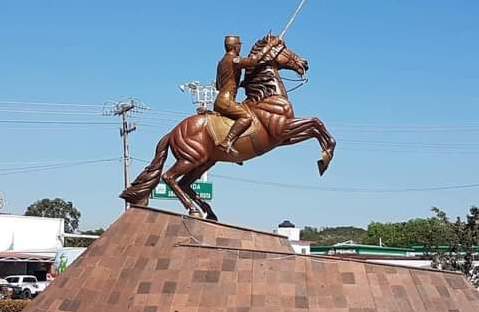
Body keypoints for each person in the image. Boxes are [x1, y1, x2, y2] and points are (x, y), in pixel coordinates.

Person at [214, 35, 281, 153]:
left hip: (220, 99)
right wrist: (271, 45)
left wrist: (240, 83)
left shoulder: (221, 62)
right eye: (239, 45)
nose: (240, 48)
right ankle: (226, 142)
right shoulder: (234, 59)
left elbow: (218, 85)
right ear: (236, 47)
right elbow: (254, 60)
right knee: (247, 117)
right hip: (226, 101)